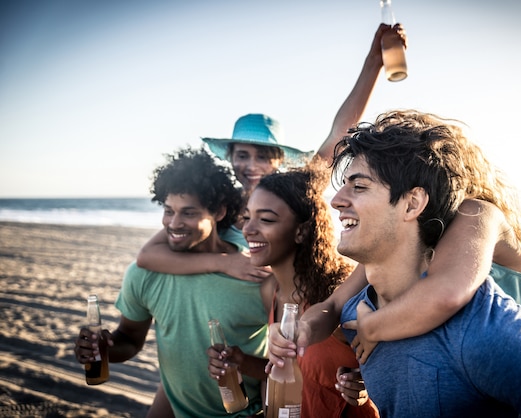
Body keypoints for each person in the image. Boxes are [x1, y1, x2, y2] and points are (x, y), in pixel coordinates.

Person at [330, 110, 521, 416]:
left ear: (414, 202)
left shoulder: (478, 317)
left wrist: (373, 327)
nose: (335, 200)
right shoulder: (362, 309)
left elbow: (448, 293)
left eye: (360, 186)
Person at [135, 22, 407, 279]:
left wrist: (373, 64)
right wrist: (224, 262)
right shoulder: (221, 203)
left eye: (263, 157)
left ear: (279, 160)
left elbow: (340, 133)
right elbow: (148, 256)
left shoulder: (297, 190)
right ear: (230, 158)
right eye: (242, 156)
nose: (251, 165)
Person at [73, 147, 268, 417]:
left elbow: (288, 364)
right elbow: (129, 339)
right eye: (168, 211)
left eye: (188, 213)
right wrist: (106, 349)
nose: (174, 224)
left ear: (220, 212)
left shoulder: (253, 273)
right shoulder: (143, 274)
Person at [208, 160, 379, 417]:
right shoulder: (271, 291)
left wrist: (363, 387)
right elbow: (293, 372)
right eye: (246, 217)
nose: (248, 229)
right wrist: (241, 361)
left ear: (302, 231)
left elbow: (382, 378)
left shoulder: (337, 294)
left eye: (265, 219)